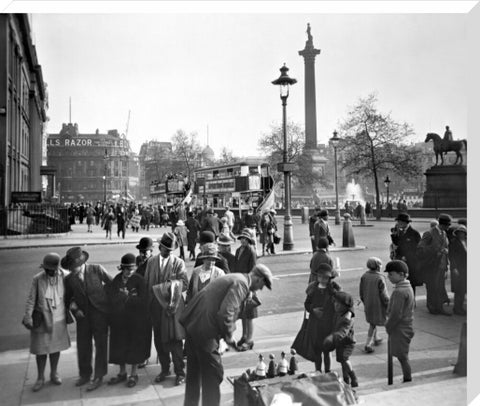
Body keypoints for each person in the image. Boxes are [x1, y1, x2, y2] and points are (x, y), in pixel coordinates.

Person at [180, 264, 273, 406]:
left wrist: (224, 337)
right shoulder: (241, 284)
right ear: (258, 279)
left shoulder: (236, 278)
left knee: (194, 374)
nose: (260, 289)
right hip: (204, 329)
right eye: (262, 285)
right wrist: (229, 337)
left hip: (194, 325)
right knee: (213, 374)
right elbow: (226, 312)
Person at [63, 247, 112, 391]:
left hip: (100, 313)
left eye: (74, 267)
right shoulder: (69, 279)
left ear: (82, 264)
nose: (72, 270)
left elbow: (112, 284)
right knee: (83, 346)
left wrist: (106, 302)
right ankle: (85, 374)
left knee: (101, 345)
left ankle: (99, 376)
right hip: (82, 316)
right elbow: (68, 298)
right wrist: (74, 309)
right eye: (70, 268)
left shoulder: (97, 269)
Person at [22, 253, 71, 392]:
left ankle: (54, 373)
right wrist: (28, 317)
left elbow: (73, 292)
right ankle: (40, 377)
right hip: (42, 319)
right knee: (41, 350)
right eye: (46, 269)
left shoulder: (66, 276)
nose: (49, 272)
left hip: (59, 318)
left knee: (55, 349)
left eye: (51, 270)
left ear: (57, 268)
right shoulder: (37, 279)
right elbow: (31, 299)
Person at [144, 232, 188, 386]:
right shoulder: (151, 262)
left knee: (175, 341)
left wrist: (168, 287)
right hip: (155, 308)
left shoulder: (178, 263)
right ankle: (164, 369)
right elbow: (147, 283)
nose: (168, 252)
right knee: (159, 340)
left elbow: (184, 283)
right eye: (165, 249)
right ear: (160, 247)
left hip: (172, 308)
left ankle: (180, 372)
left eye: (170, 250)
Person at [105, 253, 150, 388]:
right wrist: (119, 297)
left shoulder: (139, 280)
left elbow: (144, 301)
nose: (129, 272)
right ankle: (122, 372)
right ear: (122, 268)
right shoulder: (117, 280)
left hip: (135, 321)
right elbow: (111, 298)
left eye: (131, 269)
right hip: (119, 320)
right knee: (119, 346)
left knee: (134, 347)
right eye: (126, 269)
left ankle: (134, 374)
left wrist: (128, 298)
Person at [305, 263, 341, 373]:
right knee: (317, 351)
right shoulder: (313, 288)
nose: (322, 279)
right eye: (320, 276)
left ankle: (328, 371)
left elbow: (338, 304)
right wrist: (313, 310)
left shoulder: (333, 289)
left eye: (325, 277)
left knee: (327, 350)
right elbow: (307, 304)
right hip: (315, 324)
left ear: (329, 278)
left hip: (328, 324)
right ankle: (318, 371)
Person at [384, 260, 415, 383]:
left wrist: (388, 326)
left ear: (401, 274)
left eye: (391, 274)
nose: (388, 277)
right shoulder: (407, 287)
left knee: (402, 356)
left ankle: (407, 378)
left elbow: (396, 314)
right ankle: (407, 377)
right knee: (402, 355)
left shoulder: (399, 292)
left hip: (400, 328)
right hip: (406, 325)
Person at [417, 213, 451, 315]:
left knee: (440, 287)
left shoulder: (444, 233)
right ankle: (432, 307)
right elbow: (420, 248)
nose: (448, 227)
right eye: (447, 225)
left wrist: (445, 251)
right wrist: (437, 250)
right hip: (431, 265)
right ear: (442, 224)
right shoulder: (429, 233)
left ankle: (439, 307)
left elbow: (445, 246)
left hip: (441, 265)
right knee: (432, 287)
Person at [323, 291, 358, 387]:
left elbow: (342, 332)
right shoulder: (338, 313)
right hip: (340, 342)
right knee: (341, 361)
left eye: (338, 304)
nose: (335, 305)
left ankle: (353, 377)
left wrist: (331, 337)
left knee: (344, 359)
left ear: (345, 306)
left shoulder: (347, 319)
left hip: (347, 343)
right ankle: (346, 379)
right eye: (335, 302)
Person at [233, 228, 258, 351]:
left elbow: (253, 272)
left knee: (249, 315)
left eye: (245, 238)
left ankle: (249, 340)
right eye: (241, 238)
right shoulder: (238, 251)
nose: (243, 240)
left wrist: (251, 290)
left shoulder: (251, 251)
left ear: (249, 240)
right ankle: (244, 336)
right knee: (243, 313)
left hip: (248, 285)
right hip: (240, 285)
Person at [359, 257, 390, 353]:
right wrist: (388, 304)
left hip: (368, 303)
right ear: (377, 267)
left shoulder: (364, 276)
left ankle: (375, 338)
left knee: (372, 322)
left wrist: (365, 301)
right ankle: (368, 344)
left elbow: (361, 292)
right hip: (378, 304)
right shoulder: (380, 278)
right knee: (386, 322)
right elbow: (384, 294)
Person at [390, 213, 421, 295]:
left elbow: (417, 249)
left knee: (410, 285)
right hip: (400, 262)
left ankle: (411, 304)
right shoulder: (398, 233)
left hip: (410, 264)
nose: (398, 223)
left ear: (405, 222)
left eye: (399, 222)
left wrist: (406, 256)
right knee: (400, 284)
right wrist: (394, 235)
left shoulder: (414, 233)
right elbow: (396, 246)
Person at [448, 225, 467, 315]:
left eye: (462, 233)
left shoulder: (466, 242)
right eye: (459, 233)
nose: (461, 234)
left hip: (465, 269)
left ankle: (460, 307)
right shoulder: (454, 243)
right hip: (458, 269)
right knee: (458, 289)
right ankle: (457, 308)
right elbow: (452, 257)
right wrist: (454, 268)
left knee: (463, 289)